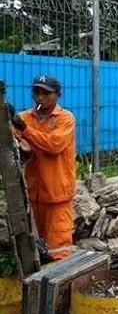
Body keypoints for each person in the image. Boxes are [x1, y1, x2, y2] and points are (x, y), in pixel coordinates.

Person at [11, 75, 76, 261]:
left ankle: (59, 287)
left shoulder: (65, 119)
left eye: (46, 93)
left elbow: (53, 145)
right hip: (33, 193)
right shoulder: (24, 118)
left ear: (57, 95)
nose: (40, 97)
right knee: (34, 248)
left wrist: (25, 131)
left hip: (57, 194)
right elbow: (18, 145)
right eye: (37, 92)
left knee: (58, 251)